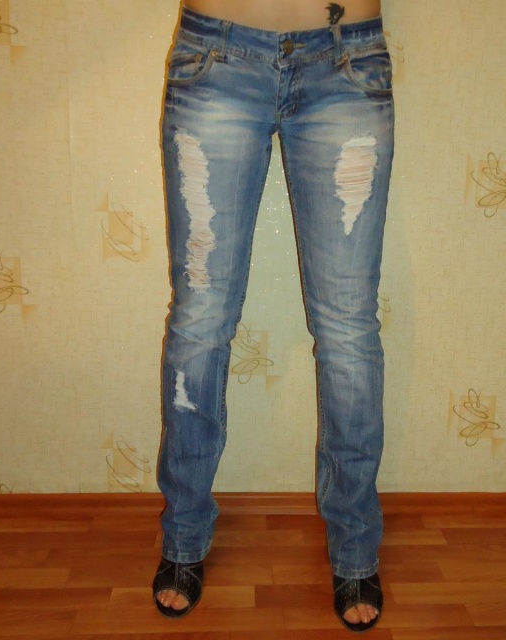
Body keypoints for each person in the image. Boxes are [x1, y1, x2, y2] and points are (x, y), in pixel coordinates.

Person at [154, 0, 394, 632]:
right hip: (215, 62)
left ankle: (355, 546)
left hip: (347, 65)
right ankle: (183, 535)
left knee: (347, 327)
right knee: (201, 317)